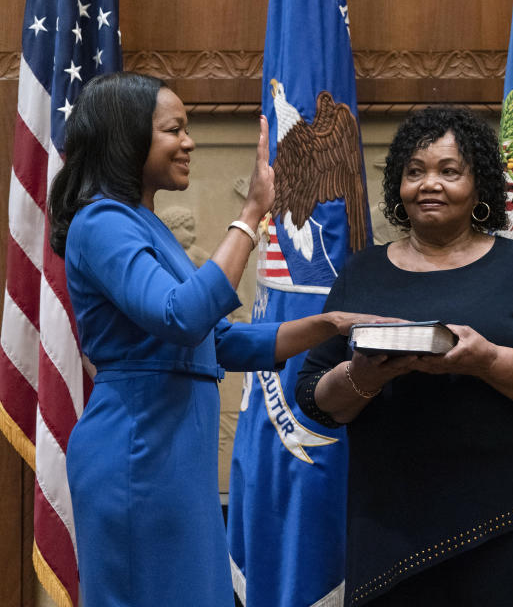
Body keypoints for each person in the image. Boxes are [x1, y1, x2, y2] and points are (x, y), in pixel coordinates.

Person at [48, 72, 383, 606]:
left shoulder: (142, 221)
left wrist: (330, 324)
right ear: (127, 137)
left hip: (174, 453)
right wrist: (250, 216)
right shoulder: (102, 222)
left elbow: (222, 340)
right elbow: (181, 316)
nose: (189, 142)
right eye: (173, 130)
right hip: (139, 452)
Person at [294, 107, 513, 606]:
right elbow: (312, 398)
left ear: (479, 185)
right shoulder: (362, 272)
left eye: (448, 171)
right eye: (414, 171)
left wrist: (487, 361)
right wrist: (363, 375)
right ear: (398, 185)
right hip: (387, 526)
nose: (428, 184)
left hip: (504, 523)